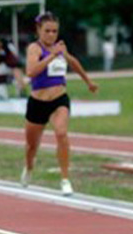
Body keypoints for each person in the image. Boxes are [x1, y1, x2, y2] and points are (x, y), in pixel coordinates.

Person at [22, 12, 98, 196]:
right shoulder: (35, 48)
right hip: (38, 102)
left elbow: (74, 62)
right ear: (39, 30)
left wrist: (88, 82)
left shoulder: (60, 48)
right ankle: (29, 167)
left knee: (61, 133)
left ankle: (65, 179)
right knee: (32, 145)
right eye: (47, 31)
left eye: (54, 31)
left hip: (59, 100)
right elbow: (31, 71)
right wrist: (51, 56)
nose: (51, 35)